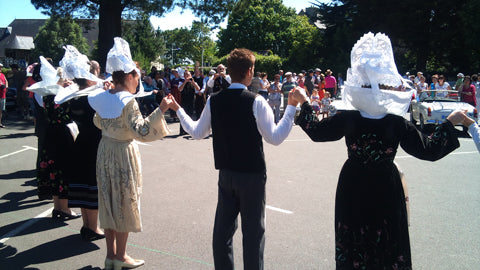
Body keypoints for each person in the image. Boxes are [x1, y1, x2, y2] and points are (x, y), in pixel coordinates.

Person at [292, 32, 460, 269]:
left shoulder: (349, 117)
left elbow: (317, 131)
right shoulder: (395, 121)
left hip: (353, 184)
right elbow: (429, 149)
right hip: (385, 185)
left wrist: (305, 102)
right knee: (388, 241)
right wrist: (450, 123)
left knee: (354, 242)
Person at [168, 48, 298, 270]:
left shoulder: (214, 100)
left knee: (222, 233)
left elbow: (198, 132)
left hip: (226, 174)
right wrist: (292, 107)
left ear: (229, 71)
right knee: (253, 235)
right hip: (252, 176)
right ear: (249, 72)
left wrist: (178, 109)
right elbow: (274, 137)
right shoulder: (256, 101)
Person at [87, 37, 171, 270]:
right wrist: (161, 109)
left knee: (108, 201)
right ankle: (121, 256)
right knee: (123, 203)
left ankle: (110, 255)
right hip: (123, 153)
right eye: (137, 76)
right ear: (129, 76)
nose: (139, 80)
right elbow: (142, 131)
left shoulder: (103, 96)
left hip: (105, 151)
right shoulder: (128, 101)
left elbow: (97, 122)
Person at [56, 45, 107, 241]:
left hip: (81, 141)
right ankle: (92, 228)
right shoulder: (92, 96)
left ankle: (87, 225)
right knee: (92, 186)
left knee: (84, 185)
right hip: (94, 142)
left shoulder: (72, 96)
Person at [28, 56, 80, 219]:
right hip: (62, 135)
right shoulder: (61, 94)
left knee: (54, 171)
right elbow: (70, 109)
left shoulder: (47, 94)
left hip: (51, 133)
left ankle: (57, 207)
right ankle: (64, 209)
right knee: (63, 171)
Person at [178, 70, 199, 135]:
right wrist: (185, 82)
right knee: (183, 115)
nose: (187, 76)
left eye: (188, 75)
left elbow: (198, 89)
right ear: (184, 76)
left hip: (191, 101)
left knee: (190, 115)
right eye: (186, 75)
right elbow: (180, 89)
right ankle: (182, 130)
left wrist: (193, 82)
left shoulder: (193, 82)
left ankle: (189, 130)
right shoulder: (181, 82)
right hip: (184, 101)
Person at [0, 63, 8, 127]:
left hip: (3, 95)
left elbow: (6, 80)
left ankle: (0, 123)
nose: (1, 68)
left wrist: (6, 86)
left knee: (1, 110)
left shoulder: (2, 74)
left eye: (1, 67)